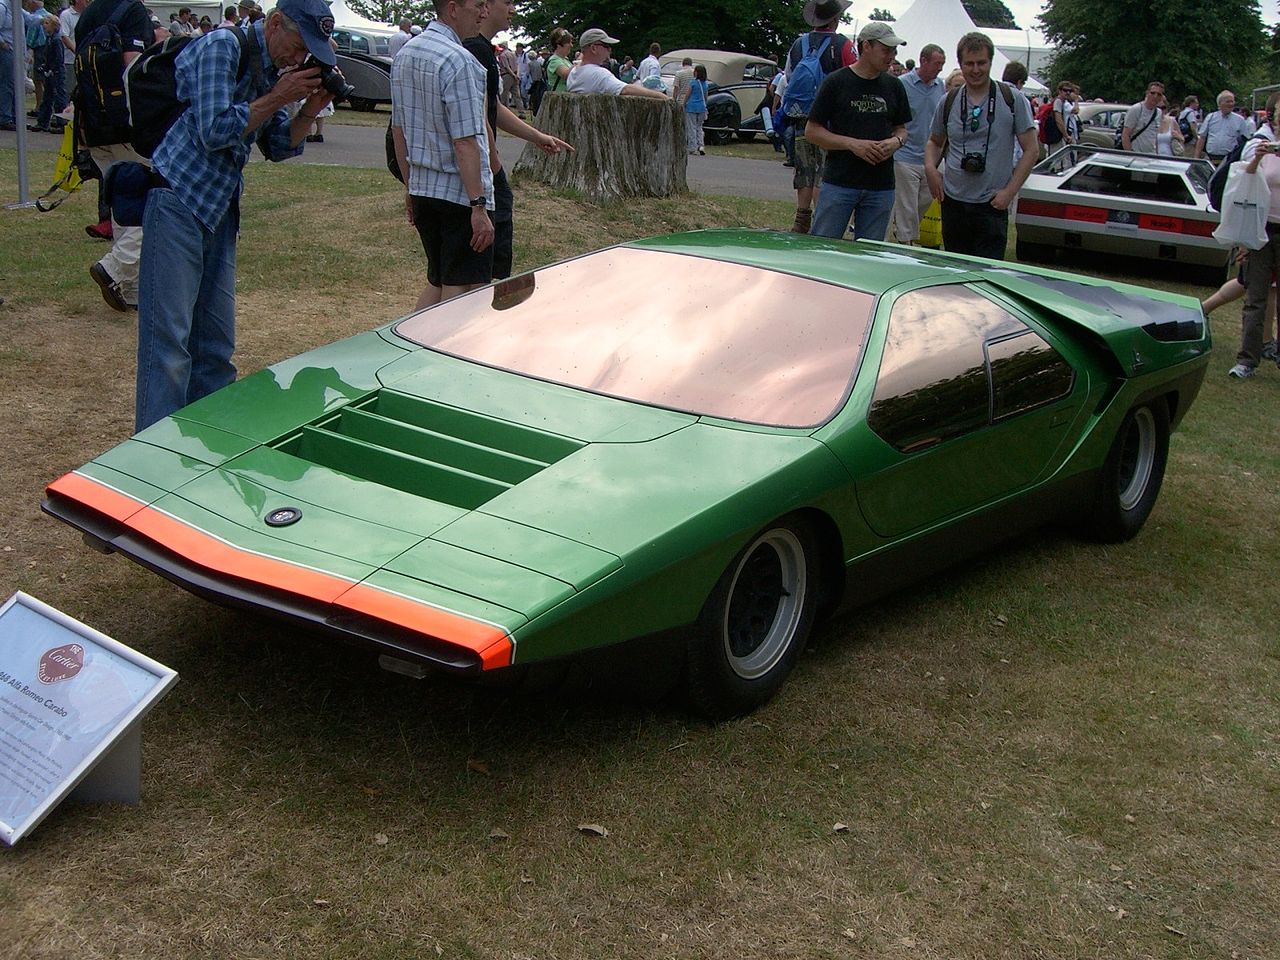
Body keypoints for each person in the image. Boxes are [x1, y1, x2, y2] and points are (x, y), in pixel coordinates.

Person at [134, 0, 337, 430]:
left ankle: (207, 447)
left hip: (219, 210)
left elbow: (280, 145)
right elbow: (215, 130)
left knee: (216, 349)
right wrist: (277, 96)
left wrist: (308, 109)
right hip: (177, 201)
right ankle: (153, 460)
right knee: (169, 348)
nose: (299, 59)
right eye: (299, 46)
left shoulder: (268, 70)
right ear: (276, 23)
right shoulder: (221, 47)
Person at [391, 0, 493, 313]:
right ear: (453, 8)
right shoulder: (459, 61)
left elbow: (399, 130)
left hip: (423, 189)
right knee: (460, 289)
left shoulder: (405, 54)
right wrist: (478, 206)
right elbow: (465, 140)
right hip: (458, 195)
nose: (483, 12)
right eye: (477, 5)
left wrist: (410, 186)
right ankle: (440, 360)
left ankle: (408, 354)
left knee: (438, 281)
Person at [462, 0, 571, 280]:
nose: (513, 9)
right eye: (508, 2)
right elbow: (477, 112)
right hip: (482, 169)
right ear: (486, 5)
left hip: (483, 165)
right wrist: (494, 163)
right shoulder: (475, 49)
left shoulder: (483, 49)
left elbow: (493, 107)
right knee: (473, 278)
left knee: (452, 279)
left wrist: (537, 137)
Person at [924, 31, 1037, 260]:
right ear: (960, 65)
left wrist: (1009, 192)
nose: (975, 70)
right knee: (954, 273)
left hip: (992, 204)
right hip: (954, 201)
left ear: (990, 62)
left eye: (981, 63)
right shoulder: (950, 101)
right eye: (969, 64)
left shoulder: (1011, 99)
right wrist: (930, 169)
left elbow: (1032, 150)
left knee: (986, 278)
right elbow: (934, 142)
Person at [76, 0, 155, 311]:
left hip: (94, 125)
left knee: (124, 209)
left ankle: (132, 290)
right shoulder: (133, 12)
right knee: (156, 203)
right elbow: (132, 68)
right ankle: (114, 268)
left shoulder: (90, 14)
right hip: (125, 125)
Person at [805, 21, 909, 242]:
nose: (891, 56)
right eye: (886, 50)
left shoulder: (894, 86)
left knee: (870, 255)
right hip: (840, 182)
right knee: (822, 247)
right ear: (866, 47)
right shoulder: (836, 82)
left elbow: (902, 129)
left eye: (894, 51)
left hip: (881, 186)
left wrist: (896, 142)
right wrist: (853, 144)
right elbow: (812, 131)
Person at [782, 0, 856, 234]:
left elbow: (788, 76)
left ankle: (801, 217)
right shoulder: (843, 44)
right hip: (831, 120)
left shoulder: (798, 44)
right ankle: (821, 219)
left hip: (801, 114)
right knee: (824, 170)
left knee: (805, 167)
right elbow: (853, 77)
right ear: (835, 19)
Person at [1228, 92, 1280, 380]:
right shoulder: (1260, 145)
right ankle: (1248, 359)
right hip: (1262, 229)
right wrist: (1256, 160)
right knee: (1256, 297)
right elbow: (1243, 187)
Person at [892, 42, 945, 244]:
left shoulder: (941, 88)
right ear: (923, 61)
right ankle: (906, 243)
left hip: (930, 159)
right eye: (937, 63)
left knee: (924, 201)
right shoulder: (902, 85)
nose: (940, 68)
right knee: (907, 204)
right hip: (905, 155)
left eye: (942, 63)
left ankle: (905, 232)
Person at [567, 28, 668, 98]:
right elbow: (626, 90)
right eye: (606, 46)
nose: (610, 50)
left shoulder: (573, 72)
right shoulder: (598, 73)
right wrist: (662, 96)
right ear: (593, 48)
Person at [1195, 90, 1252, 164]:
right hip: (1211, 159)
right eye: (1228, 101)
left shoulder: (1240, 120)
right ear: (1219, 104)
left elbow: (1246, 141)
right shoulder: (1211, 117)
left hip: (1229, 160)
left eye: (1232, 101)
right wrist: (1196, 158)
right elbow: (1202, 138)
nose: (1231, 104)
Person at [1121, 81, 1163, 153]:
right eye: (1152, 93)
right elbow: (1125, 135)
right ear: (1147, 93)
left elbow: (1155, 136)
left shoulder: (1159, 112)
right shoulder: (1136, 109)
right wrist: (1130, 154)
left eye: (1159, 94)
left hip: (1151, 155)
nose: (1155, 96)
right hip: (1136, 154)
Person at [681, 63, 708, 155]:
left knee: (691, 127)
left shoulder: (692, 83)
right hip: (701, 107)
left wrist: (683, 104)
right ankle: (701, 145)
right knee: (699, 127)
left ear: (696, 73)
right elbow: (706, 97)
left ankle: (692, 147)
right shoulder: (705, 84)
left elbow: (688, 95)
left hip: (691, 107)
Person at [542, 27, 572, 100]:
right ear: (559, 45)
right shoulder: (554, 60)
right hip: (558, 100)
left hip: (566, 98)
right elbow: (567, 75)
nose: (571, 45)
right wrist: (581, 61)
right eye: (568, 42)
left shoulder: (565, 60)